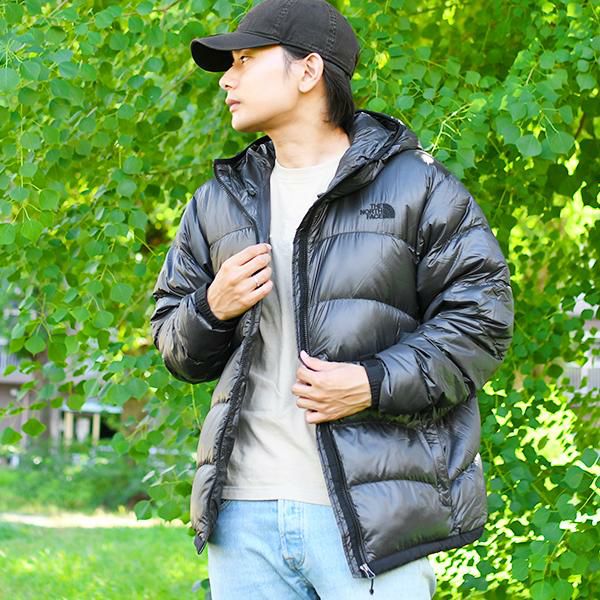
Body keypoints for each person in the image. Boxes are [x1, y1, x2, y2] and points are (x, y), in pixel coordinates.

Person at [149, 0, 514, 598]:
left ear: (309, 70)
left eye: (246, 59)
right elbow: (174, 345)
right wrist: (212, 306)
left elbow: (482, 320)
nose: (227, 79)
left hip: (375, 522)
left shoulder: (416, 186)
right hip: (243, 517)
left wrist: (374, 382)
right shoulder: (220, 200)